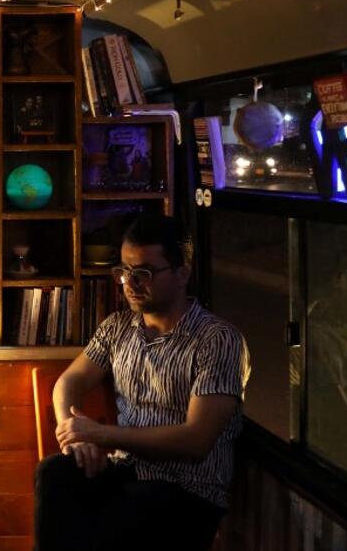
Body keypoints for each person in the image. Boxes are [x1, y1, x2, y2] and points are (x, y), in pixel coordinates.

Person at [34, 214, 249, 551]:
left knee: (113, 520)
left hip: (186, 491)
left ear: (182, 273)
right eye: (124, 271)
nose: (130, 283)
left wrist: (101, 434)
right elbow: (68, 383)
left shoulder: (218, 340)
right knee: (56, 473)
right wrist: (72, 436)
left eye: (144, 272)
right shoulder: (118, 326)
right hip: (126, 473)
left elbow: (196, 440)